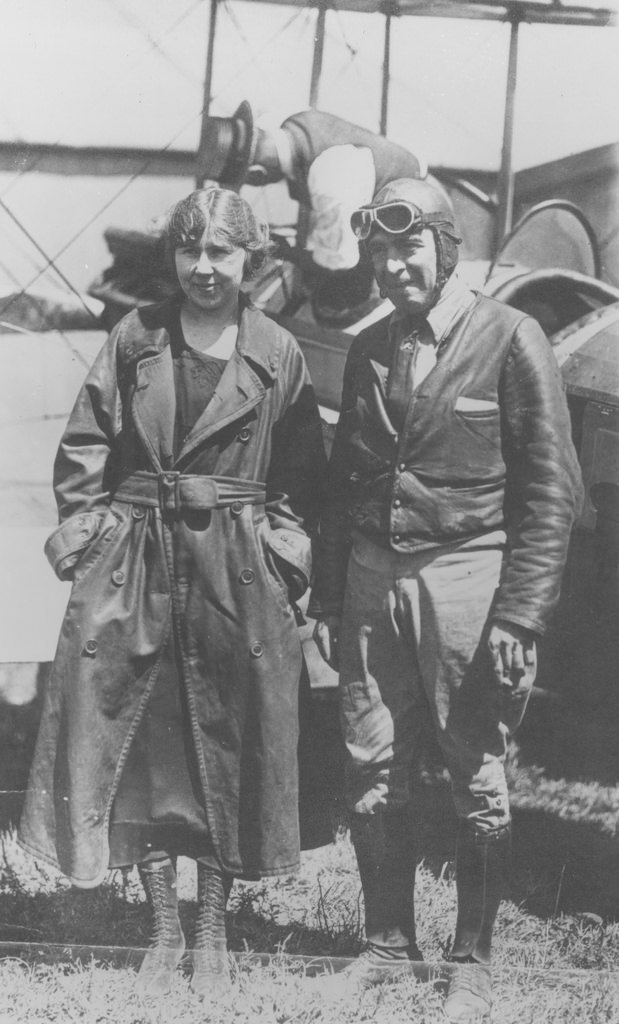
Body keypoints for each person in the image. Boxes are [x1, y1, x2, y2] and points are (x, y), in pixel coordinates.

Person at [18, 187, 327, 1001]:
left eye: (221, 252)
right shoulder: (136, 337)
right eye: (190, 252)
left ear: (250, 260)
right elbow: (86, 444)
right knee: (150, 750)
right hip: (140, 562)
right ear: (174, 258)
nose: (203, 268)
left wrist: (283, 553)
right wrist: (91, 539)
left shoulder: (277, 350)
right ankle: (161, 925)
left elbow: (301, 474)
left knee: (222, 739)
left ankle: (214, 928)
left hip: (235, 569)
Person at [311, 177, 583, 1022]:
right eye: (381, 252)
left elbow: (551, 490)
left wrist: (518, 613)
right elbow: (343, 484)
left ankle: (472, 962)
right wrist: (329, 595)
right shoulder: (367, 349)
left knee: (476, 768)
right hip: (368, 579)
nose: (394, 267)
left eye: (409, 247)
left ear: (444, 245)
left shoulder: (511, 338)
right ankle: (387, 947)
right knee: (369, 761)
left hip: (469, 578)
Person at [198, 102, 426, 324]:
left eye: (251, 181)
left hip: (410, 208)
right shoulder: (293, 122)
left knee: (333, 310)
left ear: (257, 171)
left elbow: (339, 263)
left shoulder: (332, 181)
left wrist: (281, 250)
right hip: (375, 182)